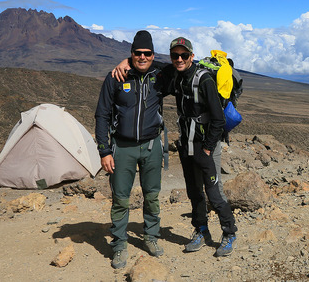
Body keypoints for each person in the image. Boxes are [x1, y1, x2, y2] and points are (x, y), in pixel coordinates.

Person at [95, 30, 171, 269]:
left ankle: (151, 237)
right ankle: (119, 244)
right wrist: (104, 150)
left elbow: (182, 66)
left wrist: (130, 61)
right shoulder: (116, 77)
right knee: (120, 199)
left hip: (151, 146)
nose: (142, 57)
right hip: (122, 148)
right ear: (131, 53)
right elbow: (102, 114)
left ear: (152, 54)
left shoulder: (160, 77)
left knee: (152, 195)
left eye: (147, 53)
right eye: (137, 53)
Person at [170, 37, 238, 257]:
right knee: (194, 191)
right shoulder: (178, 77)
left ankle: (229, 233)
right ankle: (201, 230)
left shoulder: (204, 80)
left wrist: (208, 148)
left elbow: (218, 119)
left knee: (214, 193)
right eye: (175, 56)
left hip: (204, 145)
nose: (179, 59)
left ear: (191, 56)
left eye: (183, 55)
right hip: (187, 145)